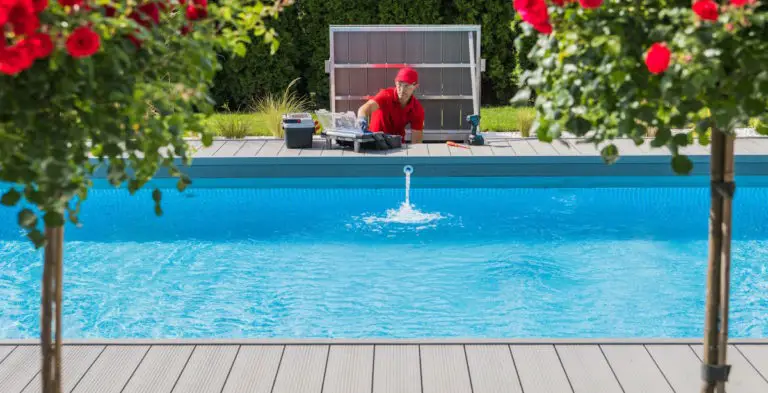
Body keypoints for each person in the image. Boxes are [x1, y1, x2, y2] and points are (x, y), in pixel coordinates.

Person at [356, 67, 425, 144]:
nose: (402, 90)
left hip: (397, 144)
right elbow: (364, 108)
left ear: (415, 86)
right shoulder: (386, 95)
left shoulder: (417, 109)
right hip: (374, 142)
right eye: (399, 84)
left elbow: (417, 142)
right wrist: (361, 120)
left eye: (407, 86)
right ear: (395, 83)